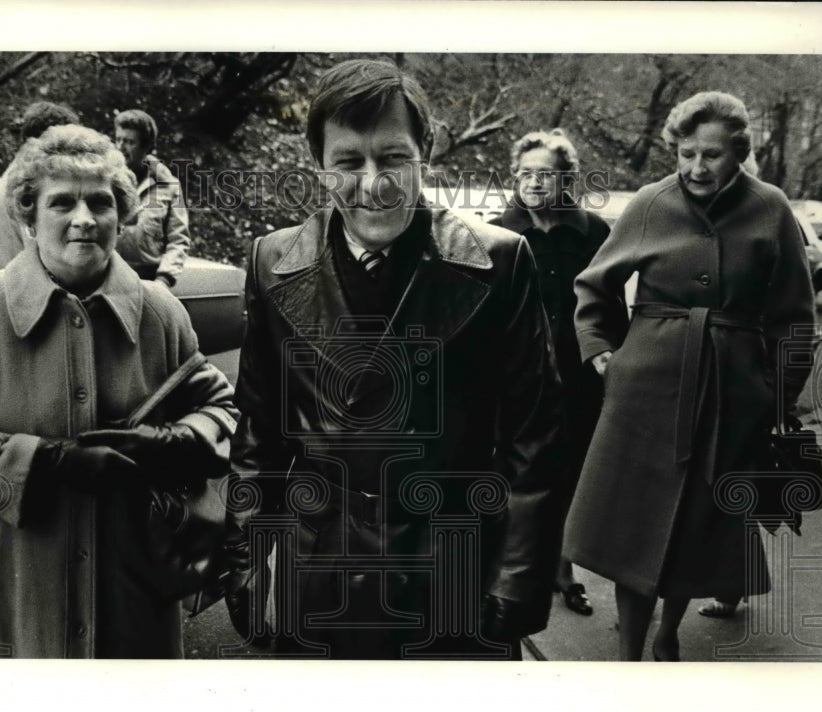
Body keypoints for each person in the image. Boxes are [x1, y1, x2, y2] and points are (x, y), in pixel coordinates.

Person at [219, 59, 566, 660]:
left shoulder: (502, 262)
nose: (374, 182)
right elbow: (258, 436)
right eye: (349, 163)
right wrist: (249, 571)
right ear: (320, 168)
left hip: (451, 568)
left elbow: (533, 439)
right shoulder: (272, 261)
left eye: (393, 158)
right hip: (314, 568)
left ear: (424, 151)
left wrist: (515, 581)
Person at [0, 124, 238, 659]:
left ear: (122, 213)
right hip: (14, 590)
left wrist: (172, 443)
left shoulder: (161, 312)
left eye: (100, 202)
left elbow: (220, 408)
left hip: (132, 589)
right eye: (62, 202)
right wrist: (51, 462)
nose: (84, 219)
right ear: (29, 215)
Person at [564, 91, 816, 661]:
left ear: (739, 155)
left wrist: (777, 397)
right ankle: (631, 652)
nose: (696, 168)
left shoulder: (771, 208)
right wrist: (601, 349)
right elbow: (593, 284)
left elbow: (796, 318)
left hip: (732, 392)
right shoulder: (650, 203)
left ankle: (667, 630)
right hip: (643, 392)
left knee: (692, 528)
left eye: (711, 156)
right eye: (685, 154)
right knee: (633, 525)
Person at [491, 128, 621, 617]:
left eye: (544, 173)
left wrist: (611, 359)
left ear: (566, 178)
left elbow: (610, 309)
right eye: (525, 173)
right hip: (517, 378)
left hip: (579, 375)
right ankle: (512, 567)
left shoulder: (594, 234)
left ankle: (564, 571)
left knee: (571, 473)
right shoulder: (498, 233)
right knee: (516, 471)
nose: (533, 182)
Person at [0, 101, 80, 269]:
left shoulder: (17, 173)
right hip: (25, 286)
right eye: (64, 143)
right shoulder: (26, 183)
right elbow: (44, 254)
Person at [113, 109, 190, 286]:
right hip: (105, 280)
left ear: (146, 147)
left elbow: (178, 240)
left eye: (129, 142)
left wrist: (163, 280)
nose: (120, 147)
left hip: (148, 280)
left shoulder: (169, 186)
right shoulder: (105, 180)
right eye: (118, 139)